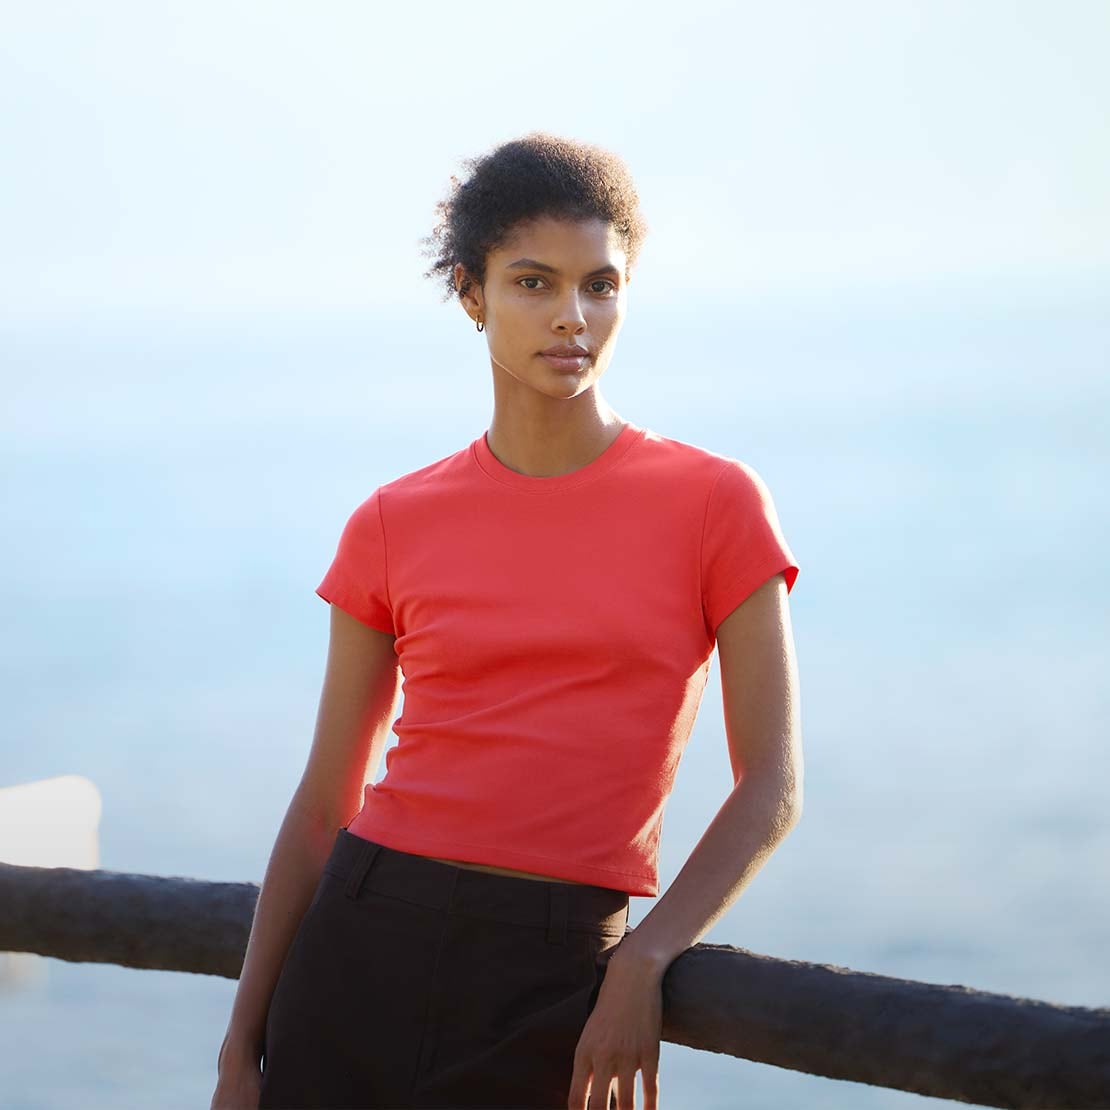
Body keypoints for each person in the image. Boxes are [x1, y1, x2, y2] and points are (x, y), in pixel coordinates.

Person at [211, 131, 803, 1110]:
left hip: (559, 970)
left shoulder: (716, 503)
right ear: (470, 292)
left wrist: (643, 960)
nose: (573, 317)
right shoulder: (393, 521)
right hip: (360, 947)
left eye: (600, 285)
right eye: (533, 283)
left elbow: (771, 787)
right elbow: (324, 805)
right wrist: (241, 1045)